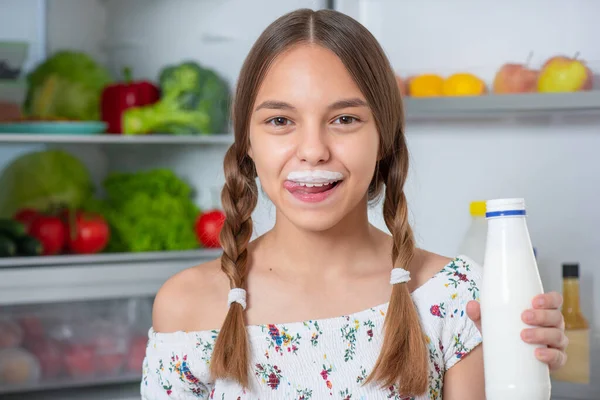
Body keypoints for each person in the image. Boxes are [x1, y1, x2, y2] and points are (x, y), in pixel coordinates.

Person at [142, 8, 567, 400]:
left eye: (344, 119)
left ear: (383, 137)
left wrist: (525, 370)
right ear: (247, 142)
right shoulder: (185, 306)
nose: (312, 150)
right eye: (280, 121)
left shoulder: (456, 295)